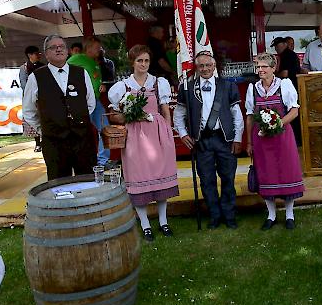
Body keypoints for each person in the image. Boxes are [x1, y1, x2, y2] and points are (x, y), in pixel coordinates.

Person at [108, 45, 179, 242]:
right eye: (140, 61)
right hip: (135, 136)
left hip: (157, 133)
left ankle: (163, 221)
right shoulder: (122, 87)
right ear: (132, 62)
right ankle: (145, 224)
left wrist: (168, 133)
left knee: (161, 175)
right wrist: (129, 115)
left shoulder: (159, 83)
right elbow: (114, 115)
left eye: (146, 60)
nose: (144, 64)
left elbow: (165, 110)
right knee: (139, 179)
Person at [174, 51, 244, 230]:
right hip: (202, 141)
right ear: (196, 68)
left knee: (228, 178)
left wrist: (237, 138)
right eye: (201, 66)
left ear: (214, 66)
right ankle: (215, 216)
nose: (205, 69)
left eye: (208, 65)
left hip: (224, 139)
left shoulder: (227, 86)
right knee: (206, 180)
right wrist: (183, 133)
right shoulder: (187, 87)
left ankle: (229, 215)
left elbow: (237, 115)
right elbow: (179, 114)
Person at [22, 34, 97, 180]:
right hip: (54, 142)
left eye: (61, 46)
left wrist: (77, 120)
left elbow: (90, 102)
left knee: (88, 180)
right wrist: (43, 128)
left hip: (82, 139)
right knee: (59, 185)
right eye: (53, 47)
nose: (58, 50)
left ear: (67, 50)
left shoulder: (81, 73)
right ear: (46, 53)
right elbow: (28, 110)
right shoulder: (36, 77)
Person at [245, 52, 305, 230]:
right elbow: (249, 117)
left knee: (286, 171)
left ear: (273, 68)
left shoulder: (284, 85)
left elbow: (294, 110)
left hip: (282, 137)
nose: (260, 70)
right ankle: (271, 215)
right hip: (261, 139)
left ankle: (289, 215)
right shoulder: (252, 88)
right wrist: (249, 142)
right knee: (266, 174)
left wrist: (278, 123)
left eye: (264, 66)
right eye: (258, 66)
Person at [67, 36, 110, 166]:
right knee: (83, 131)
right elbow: (63, 73)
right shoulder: (77, 58)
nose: (99, 50)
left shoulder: (94, 62)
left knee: (105, 128)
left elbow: (95, 79)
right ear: (89, 47)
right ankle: (84, 161)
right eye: (97, 47)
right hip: (82, 102)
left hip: (95, 101)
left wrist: (101, 85)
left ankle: (102, 161)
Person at [273, 36, 302, 145]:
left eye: (278, 45)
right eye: (275, 46)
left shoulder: (287, 55)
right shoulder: (286, 55)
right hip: (292, 87)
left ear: (284, 44)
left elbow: (285, 74)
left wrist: (273, 75)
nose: (276, 48)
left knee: (292, 114)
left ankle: (295, 140)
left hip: (291, 88)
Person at [19, 46, 44, 152]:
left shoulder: (43, 66)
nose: (38, 55)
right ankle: (38, 143)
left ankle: (46, 140)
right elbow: (23, 84)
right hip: (31, 98)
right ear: (29, 55)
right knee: (33, 118)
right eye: (36, 53)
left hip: (44, 97)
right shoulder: (24, 68)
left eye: (39, 53)